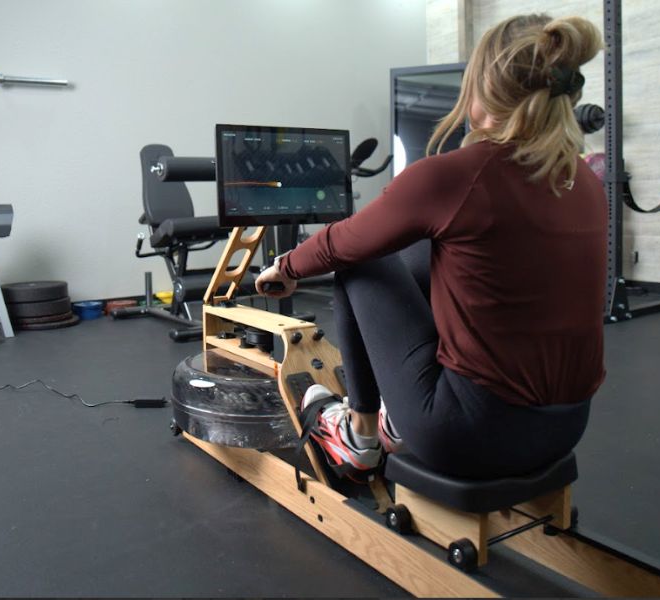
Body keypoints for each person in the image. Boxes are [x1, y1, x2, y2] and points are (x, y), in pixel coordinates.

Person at [256, 14, 607, 481]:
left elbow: (344, 241)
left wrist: (286, 267)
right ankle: (399, 416)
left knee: (361, 258)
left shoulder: (457, 173)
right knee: (426, 250)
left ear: (483, 86)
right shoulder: (583, 177)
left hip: (467, 435)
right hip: (565, 428)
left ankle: (359, 437)